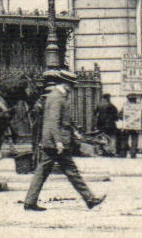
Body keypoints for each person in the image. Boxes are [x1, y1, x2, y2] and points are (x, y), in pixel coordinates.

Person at [22, 70, 104, 212]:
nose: (72, 88)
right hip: (56, 143)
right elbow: (53, 121)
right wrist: (59, 142)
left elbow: (64, 120)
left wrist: (74, 132)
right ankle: (90, 199)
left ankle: (30, 202)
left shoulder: (58, 96)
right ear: (65, 84)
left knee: (43, 171)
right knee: (71, 171)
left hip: (54, 141)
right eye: (71, 85)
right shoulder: (57, 97)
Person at [118, 93, 142, 158]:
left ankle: (123, 153)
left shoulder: (125, 106)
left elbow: (120, 115)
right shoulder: (139, 107)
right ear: (135, 99)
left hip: (126, 126)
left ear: (128, 99)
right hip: (135, 126)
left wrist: (124, 119)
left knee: (124, 139)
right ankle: (133, 153)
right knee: (134, 139)